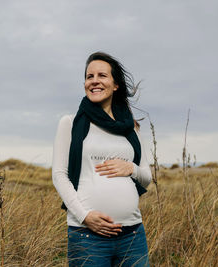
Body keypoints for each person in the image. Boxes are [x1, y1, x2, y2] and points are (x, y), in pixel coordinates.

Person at [52, 51, 152, 267]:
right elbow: (59, 176)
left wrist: (131, 168)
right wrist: (84, 216)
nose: (94, 81)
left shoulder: (131, 128)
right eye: (89, 76)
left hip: (133, 234)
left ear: (115, 85)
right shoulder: (70, 123)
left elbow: (146, 178)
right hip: (88, 236)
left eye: (102, 75)